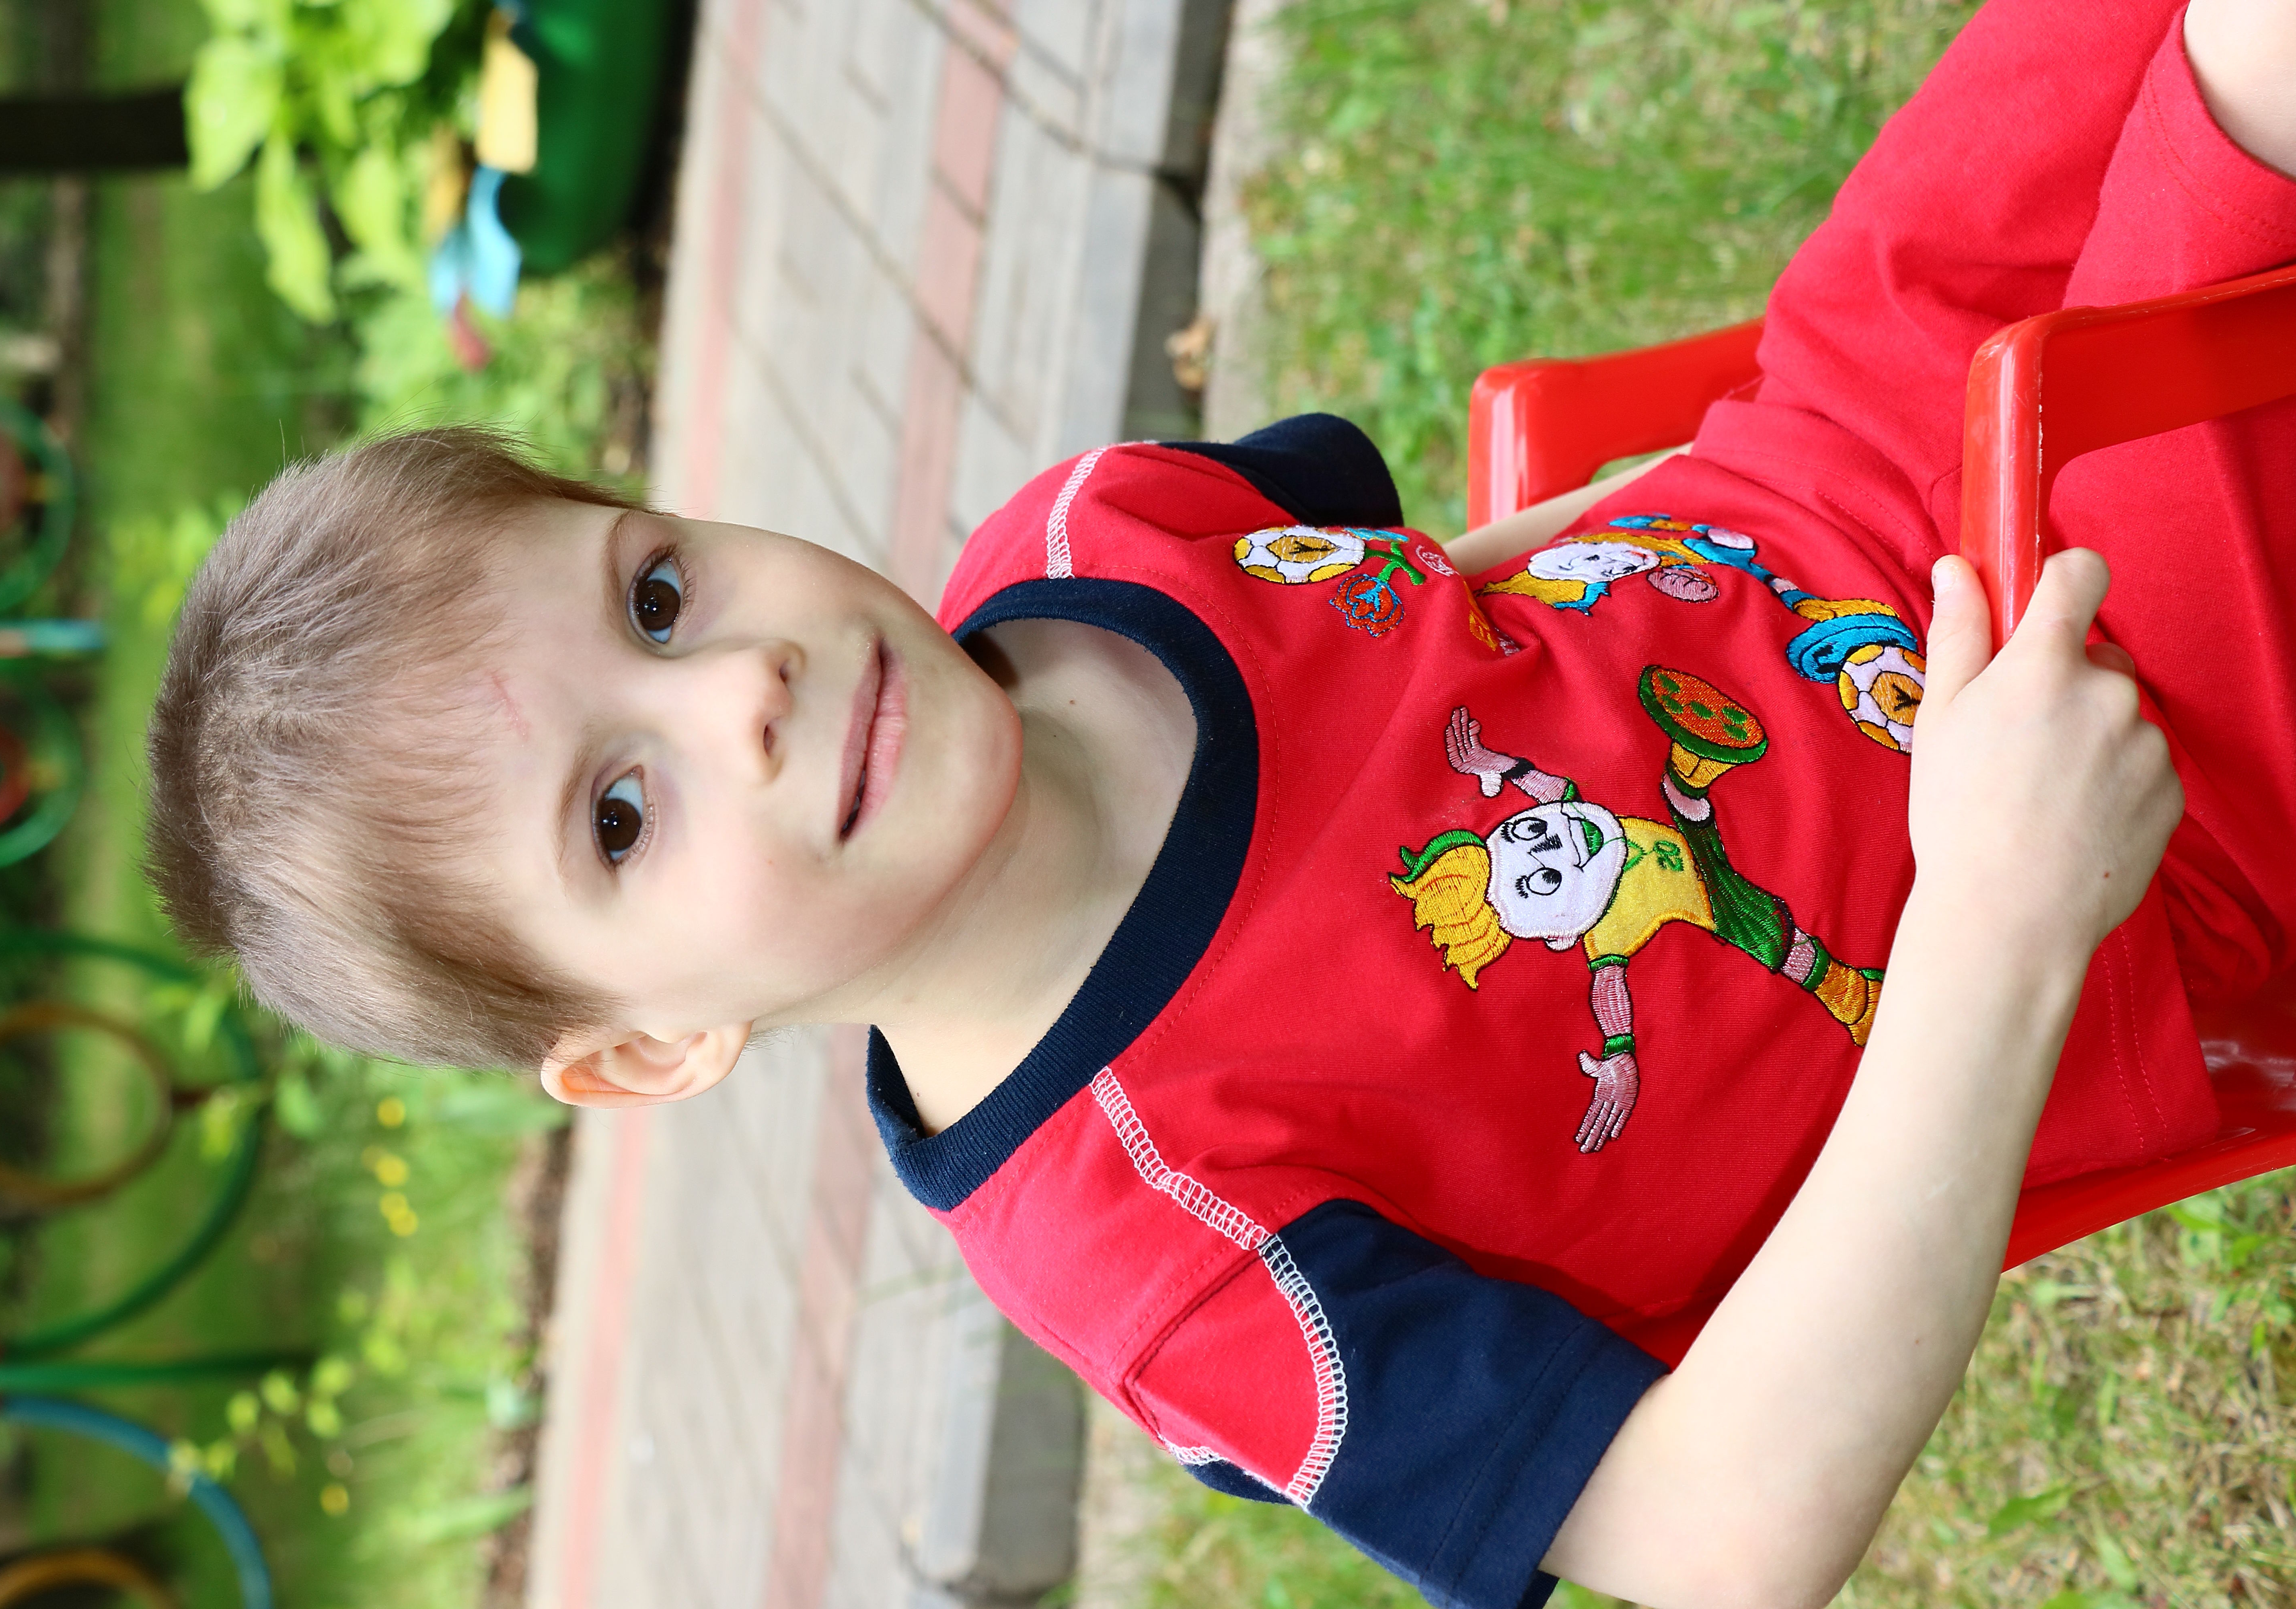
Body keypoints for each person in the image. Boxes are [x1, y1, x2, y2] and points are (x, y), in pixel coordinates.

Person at [142, 0, 2296, 1602]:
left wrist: (1723, 495)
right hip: (2118, 859)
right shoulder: (1166, 1251)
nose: (744, 694)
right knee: (2235, 109)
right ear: (643, 1050)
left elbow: (1423, 609)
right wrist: (1999, 917)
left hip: (1853, 456)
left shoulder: (1079, 542)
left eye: (657, 592)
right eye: (622, 815)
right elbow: (1722, 1538)